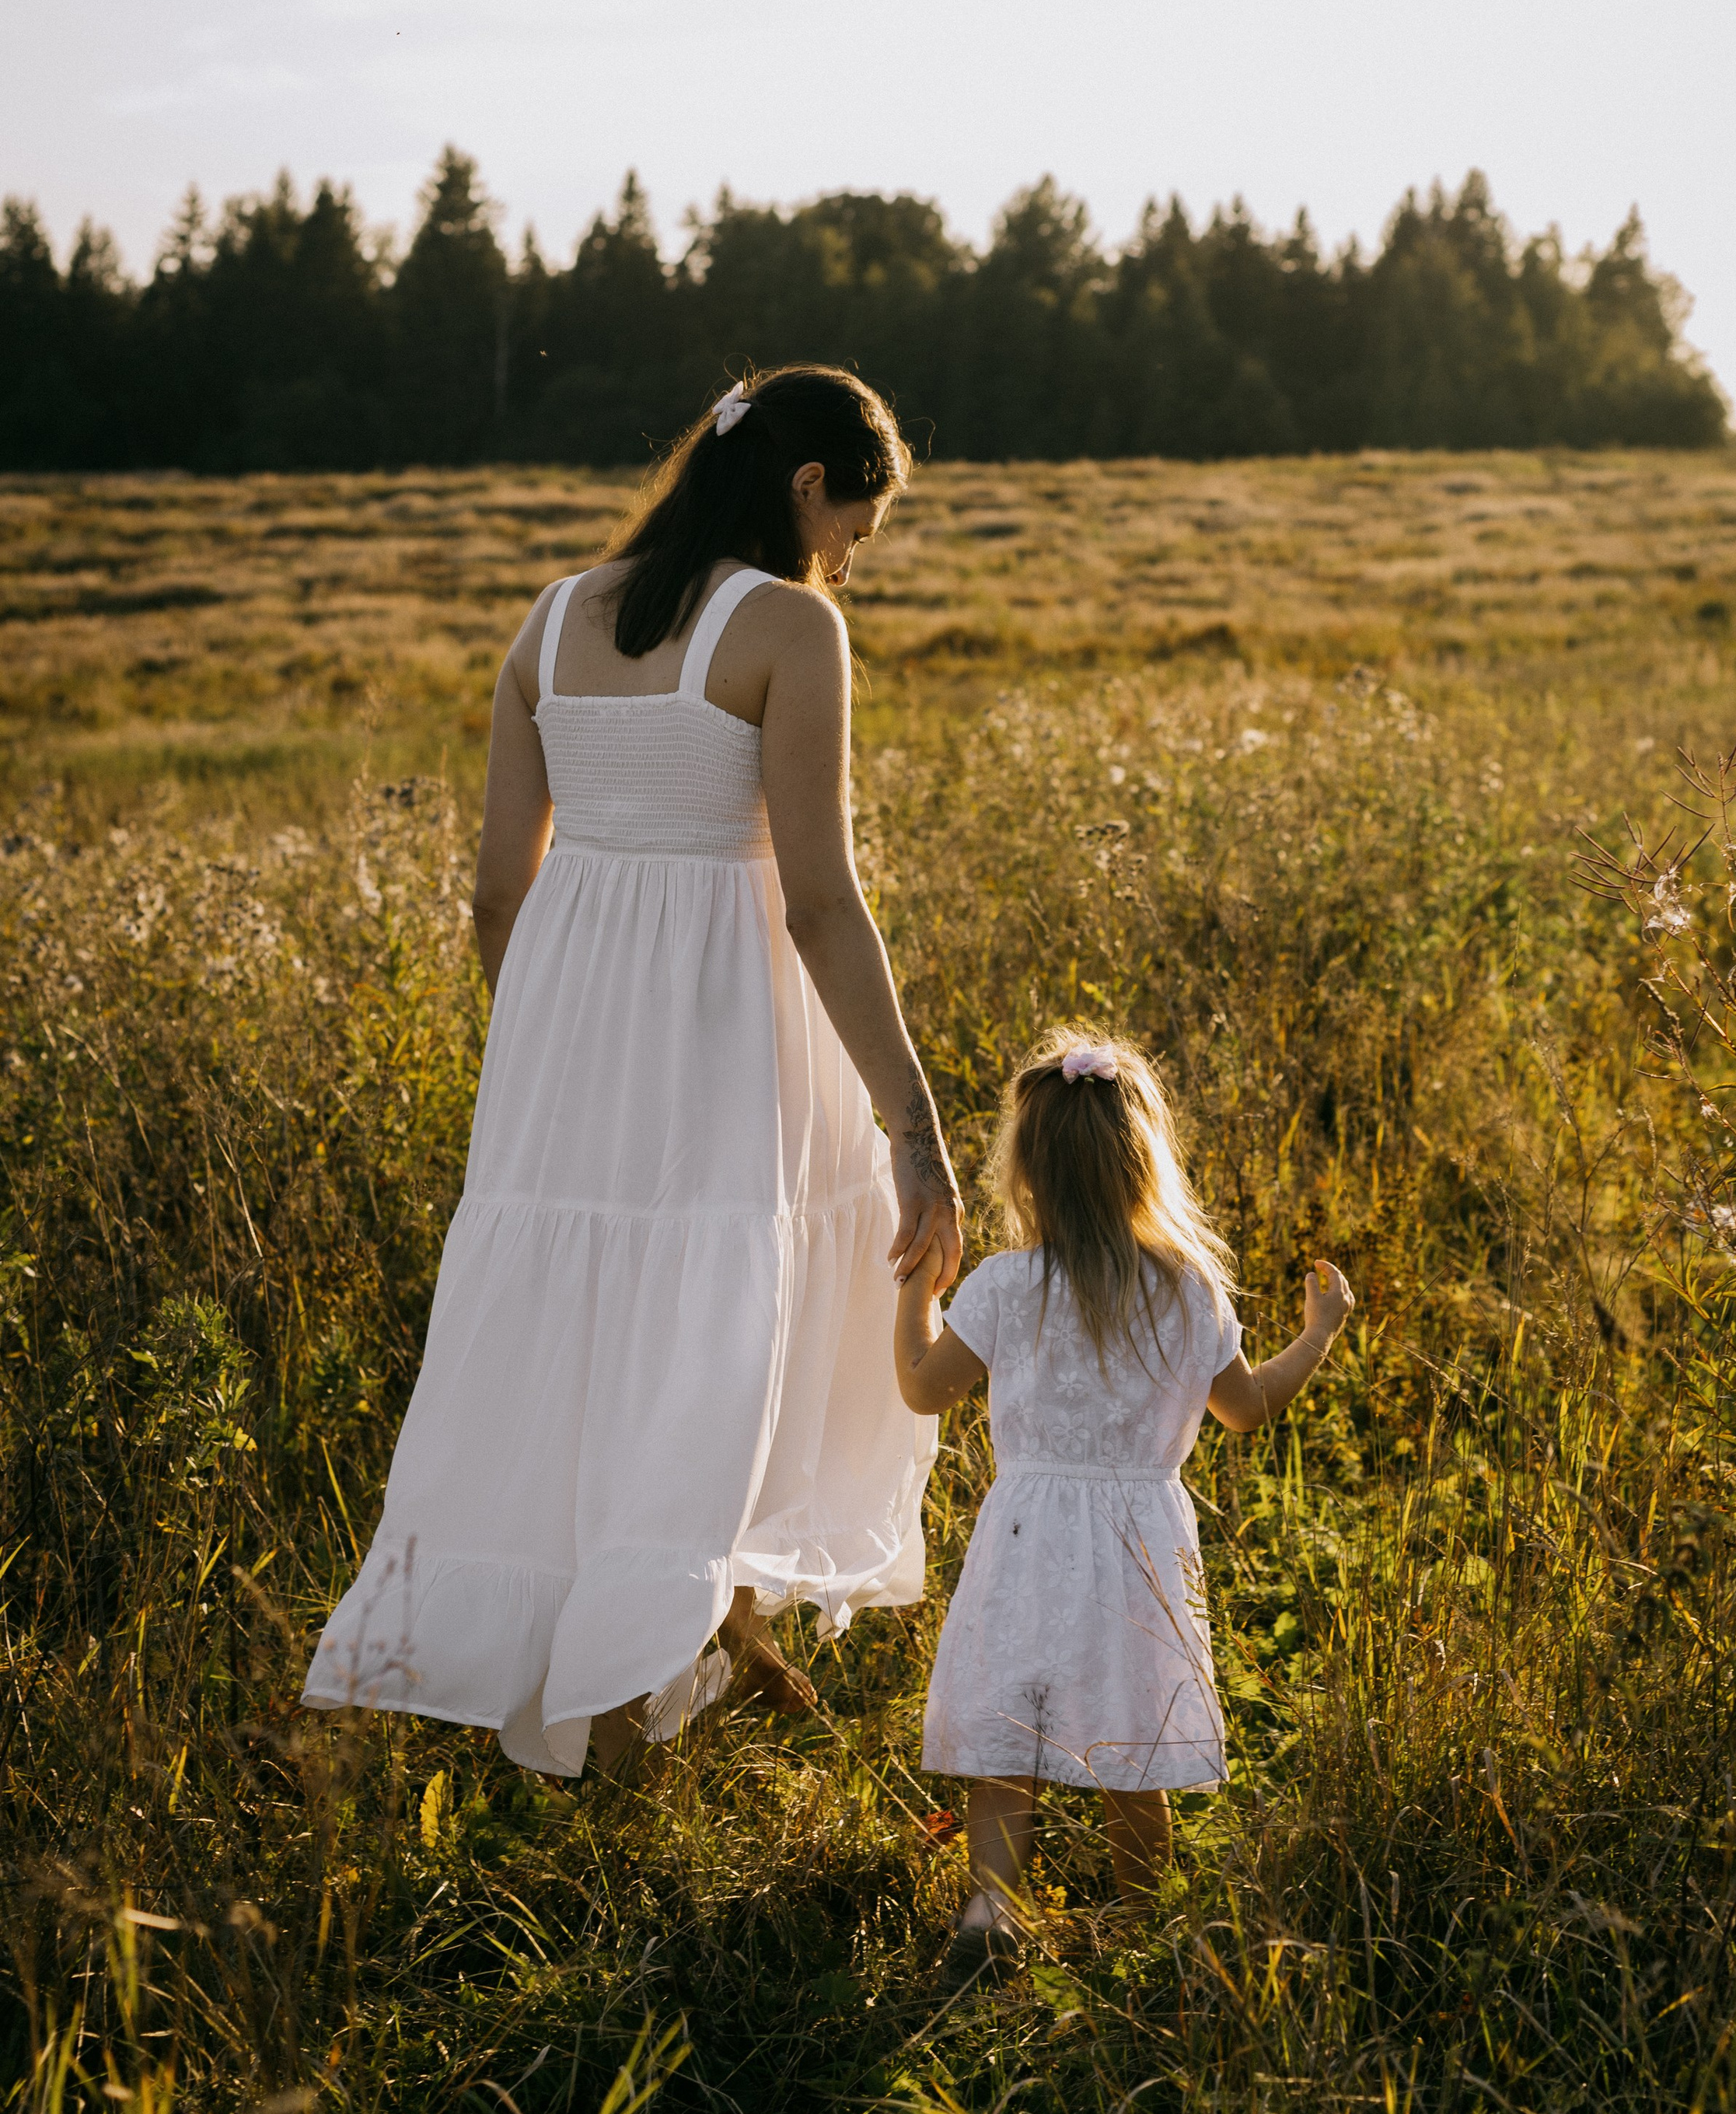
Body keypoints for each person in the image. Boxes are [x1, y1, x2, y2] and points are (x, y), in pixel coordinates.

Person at [304, 365, 964, 1778]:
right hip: (734, 1031)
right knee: (731, 1324)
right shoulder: (790, 627)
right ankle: (635, 1688)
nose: (857, 553)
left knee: (579, 1339)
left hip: (567, 1043)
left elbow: (496, 893)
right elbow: (821, 903)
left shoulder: (551, 618)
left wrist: (549, 1042)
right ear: (805, 492)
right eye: (861, 520)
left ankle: (684, 1633)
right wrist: (917, 1131)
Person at [893, 1027, 1353, 1960]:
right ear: (1145, 1165)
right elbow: (1246, 1409)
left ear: (1026, 1174)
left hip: (1025, 1536)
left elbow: (921, 1388)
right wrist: (1318, 1333)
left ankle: (990, 1912)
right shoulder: (1189, 1292)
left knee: (1005, 1745)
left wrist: (916, 1290)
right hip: (1141, 1542)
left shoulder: (1005, 1287)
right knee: (1132, 1746)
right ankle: (1143, 1932)